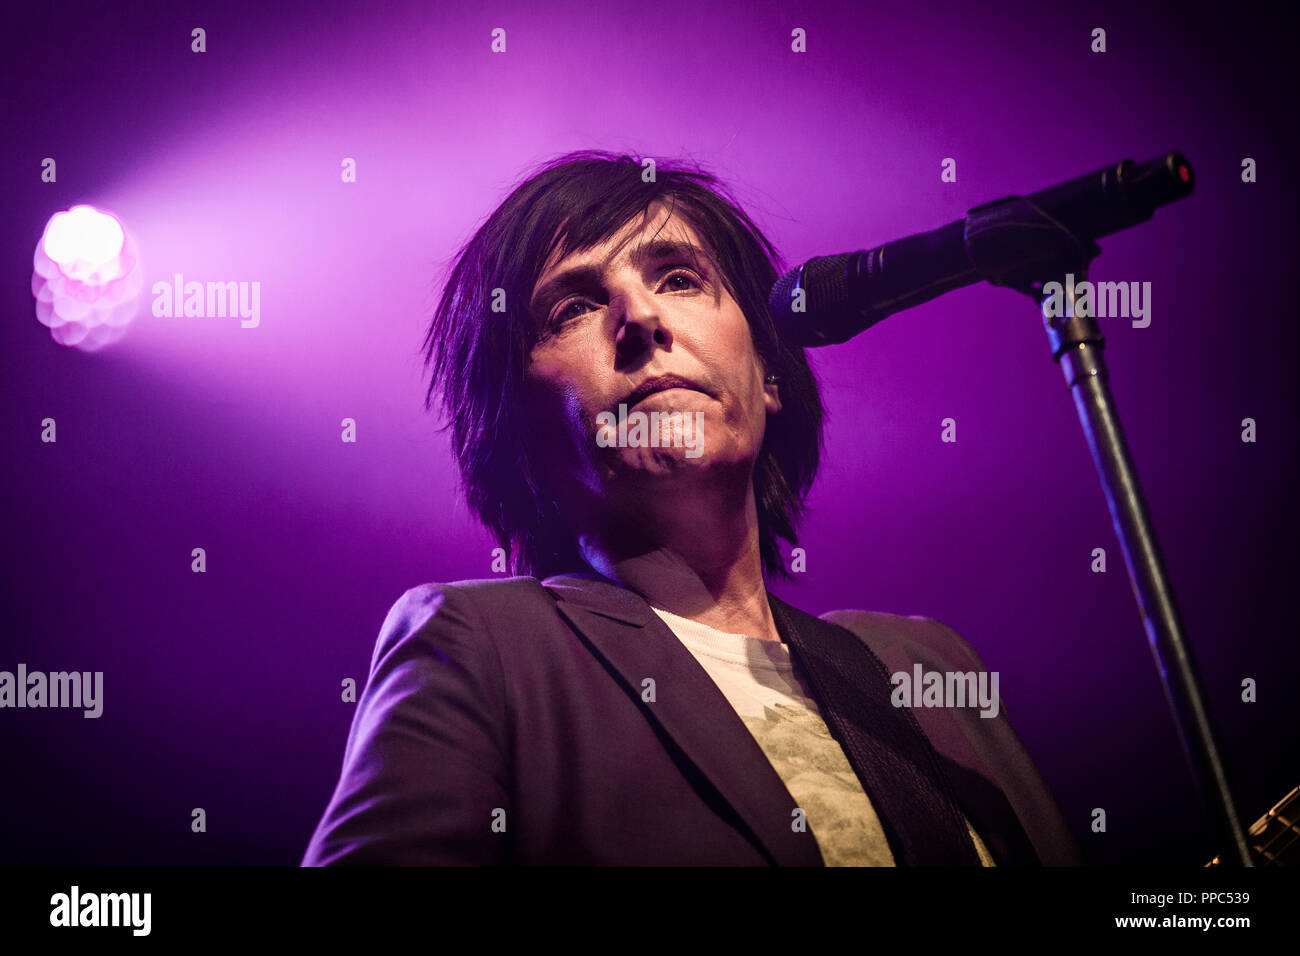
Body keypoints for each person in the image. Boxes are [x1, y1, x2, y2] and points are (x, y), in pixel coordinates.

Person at [301, 151, 1083, 866]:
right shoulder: (483, 647)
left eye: (678, 278)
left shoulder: (924, 663)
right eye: (571, 309)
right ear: (519, 430)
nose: (640, 318)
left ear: (769, 375)